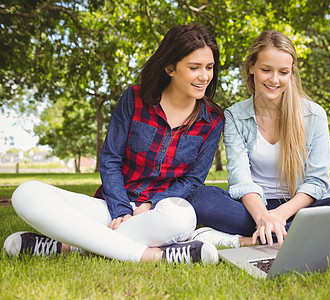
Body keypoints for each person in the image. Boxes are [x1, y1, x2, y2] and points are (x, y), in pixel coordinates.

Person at [3, 24, 224, 264]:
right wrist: (121, 210)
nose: (204, 76)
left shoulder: (212, 120)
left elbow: (193, 180)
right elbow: (110, 158)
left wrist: (150, 204)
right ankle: (152, 255)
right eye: (194, 67)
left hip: (159, 212)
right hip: (110, 206)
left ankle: (70, 246)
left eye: (209, 67)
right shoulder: (135, 98)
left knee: (182, 219)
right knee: (27, 193)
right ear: (170, 67)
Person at [187, 30, 330, 248]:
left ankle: (254, 239)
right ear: (251, 68)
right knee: (199, 197)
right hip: (254, 208)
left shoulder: (314, 115)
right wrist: (263, 217)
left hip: (301, 207)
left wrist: (277, 217)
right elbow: (241, 178)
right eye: (266, 70)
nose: (274, 80)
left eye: (283, 72)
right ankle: (295, 234)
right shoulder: (234, 115)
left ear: (291, 73)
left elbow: (316, 182)